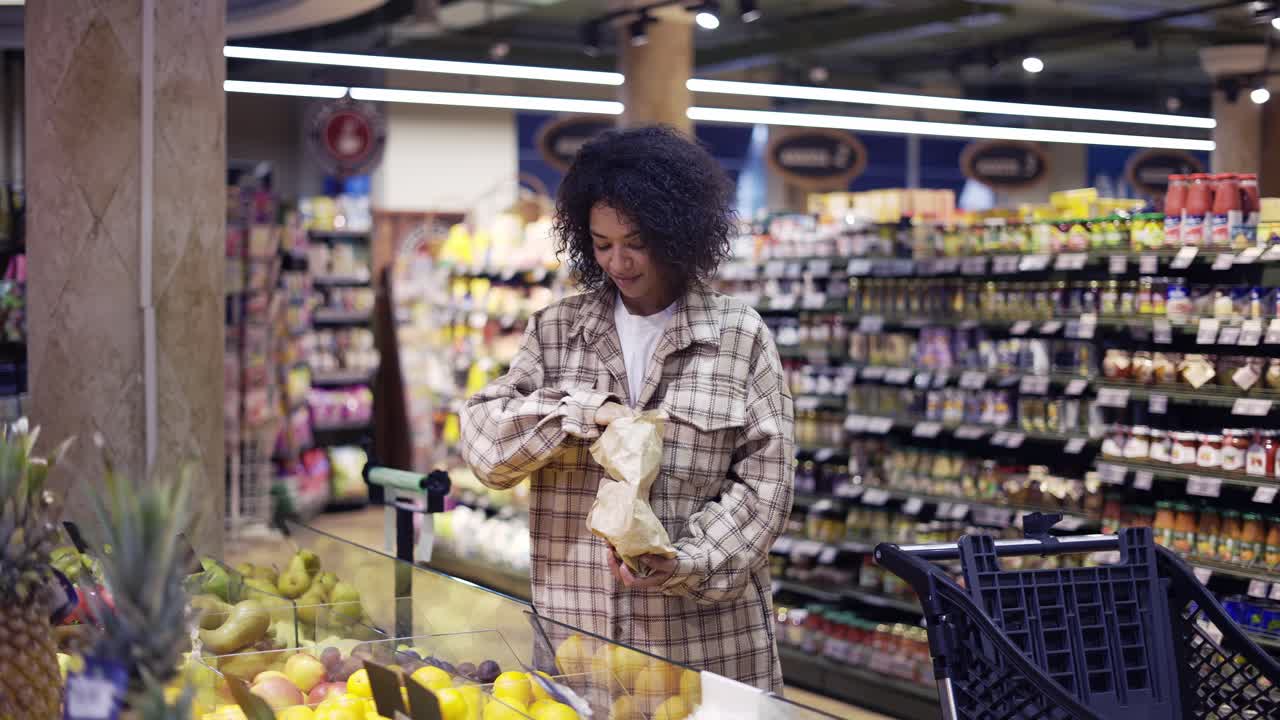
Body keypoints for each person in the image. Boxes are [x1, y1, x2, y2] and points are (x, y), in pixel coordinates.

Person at [459, 125, 795, 692]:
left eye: (635, 241)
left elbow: (768, 485)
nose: (619, 261)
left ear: (678, 233)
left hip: (702, 647)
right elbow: (486, 449)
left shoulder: (738, 336)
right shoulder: (557, 331)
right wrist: (578, 415)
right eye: (601, 243)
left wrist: (686, 559)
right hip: (580, 644)